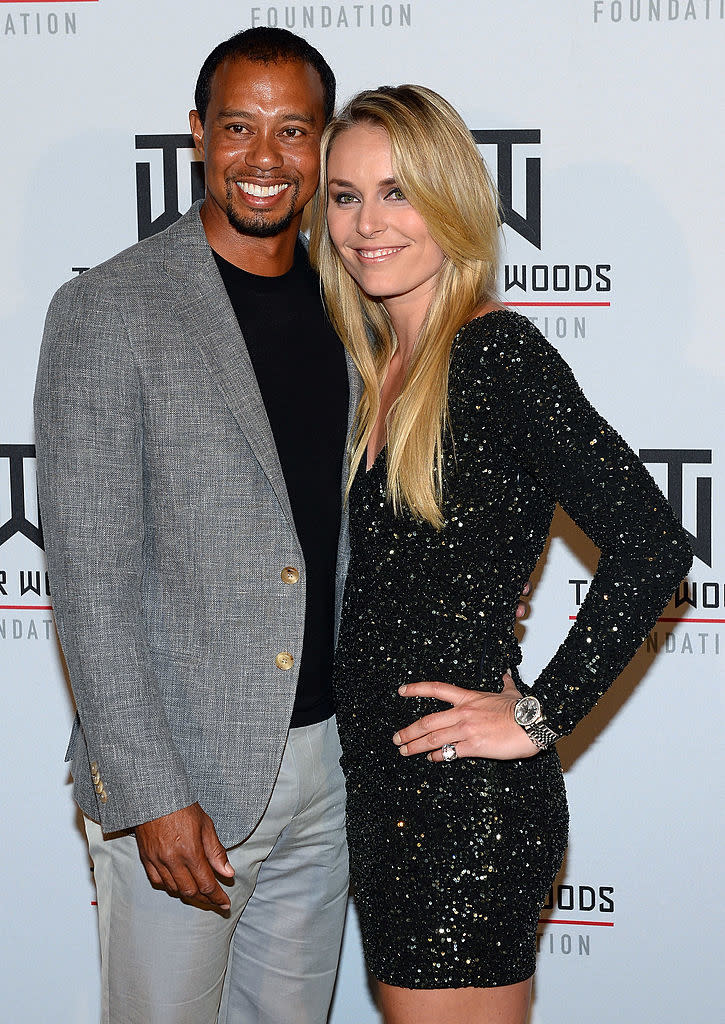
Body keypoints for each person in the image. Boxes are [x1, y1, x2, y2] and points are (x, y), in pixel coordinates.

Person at [309, 84, 693, 1024]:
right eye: (345, 195)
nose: (366, 225)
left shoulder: (498, 357)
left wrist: (536, 713)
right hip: (382, 781)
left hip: (459, 800)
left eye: (396, 192)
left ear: (451, 202)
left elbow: (651, 542)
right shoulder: (369, 373)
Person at [34, 27, 354, 1024]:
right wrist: (147, 792)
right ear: (196, 136)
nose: (264, 159)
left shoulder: (354, 305)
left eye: (292, 130)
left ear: (324, 143)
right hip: (184, 781)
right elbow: (88, 581)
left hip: (328, 771)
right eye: (238, 127)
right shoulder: (111, 307)